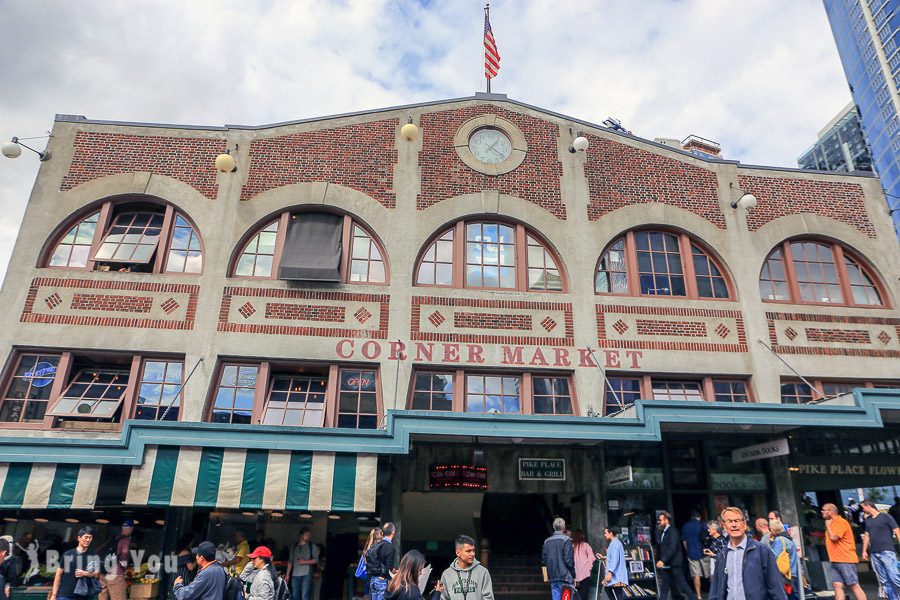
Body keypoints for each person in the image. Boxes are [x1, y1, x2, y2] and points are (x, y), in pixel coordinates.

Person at [708, 507, 785, 600]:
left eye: (737, 520)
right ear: (724, 526)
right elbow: (715, 591)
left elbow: (776, 587)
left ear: (744, 524)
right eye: (729, 521)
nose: (734, 525)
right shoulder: (722, 555)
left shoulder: (761, 551)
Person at [821, 502, 865, 600]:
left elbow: (834, 537)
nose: (822, 511)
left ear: (831, 511)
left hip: (845, 559)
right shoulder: (832, 523)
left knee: (854, 585)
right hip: (835, 559)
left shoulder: (840, 522)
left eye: (824, 510)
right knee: (837, 586)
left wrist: (827, 526)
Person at [860, 499, 900, 600]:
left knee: (894, 577)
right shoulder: (868, 520)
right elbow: (867, 535)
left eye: (863, 507)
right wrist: (864, 550)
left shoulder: (885, 516)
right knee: (884, 581)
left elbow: (897, 530)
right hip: (874, 553)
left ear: (868, 506)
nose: (862, 510)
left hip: (887, 551)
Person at [436, 535, 493, 600]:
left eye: (473, 550)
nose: (472, 554)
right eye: (468, 551)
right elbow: (444, 598)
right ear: (458, 552)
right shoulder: (447, 574)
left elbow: (488, 598)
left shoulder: (483, 572)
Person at [50, 527, 100, 600]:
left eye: (90, 538)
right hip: (65, 594)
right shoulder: (68, 554)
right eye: (86, 537)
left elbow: (97, 574)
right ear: (79, 538)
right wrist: (54, 594)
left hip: (83, 595)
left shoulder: (93, 555)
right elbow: (58, 574)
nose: (88, 540)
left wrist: (86, 574)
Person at [656, 512, 693, 600]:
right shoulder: (663, 532)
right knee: (664, 587)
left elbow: (672, 548)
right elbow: (661, 546)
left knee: (683, 586)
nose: (659, 522)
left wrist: (663, 560)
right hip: (667, 565)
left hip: (674, 564)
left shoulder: (673, 531)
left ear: (666, 520)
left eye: (661, 520)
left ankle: (693, 598)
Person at [542, 517, 575, 600]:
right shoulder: (566, 540)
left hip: (553, 577)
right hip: (566, 577)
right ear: (563, 528)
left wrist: (546, 576)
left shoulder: (547, 541)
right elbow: (569, 561)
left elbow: (543, 561)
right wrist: (573, 574)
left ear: (554, 527)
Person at [99, 519, 133, 600]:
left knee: (102, 596)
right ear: (131, 528)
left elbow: (99, 551)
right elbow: (124, 552)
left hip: (103, 572)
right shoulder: (125, 539)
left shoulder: (114, 538)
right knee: (118, 597)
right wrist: (124, 566)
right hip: (115, 573)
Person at [769, 519, 799, 600]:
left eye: (770, 529)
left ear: (774, 530)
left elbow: (774, 557)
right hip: (791, 574)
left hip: (784, 575)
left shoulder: (779, 540)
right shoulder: (788, 539)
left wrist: (771, 544)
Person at [368, 523, 399, 600]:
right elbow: (388, 567)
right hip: (382, 581)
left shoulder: (376, 545)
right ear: (393, 532)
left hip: (373, 580)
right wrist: (393, 571)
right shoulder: (390, 547)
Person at [286, 528, 319, 600]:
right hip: (295, 574)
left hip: (306, 574)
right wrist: (287, 574)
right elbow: (290, 561)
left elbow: (316, 560)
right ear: (301, 535)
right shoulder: (294, 546)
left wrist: (304, 562)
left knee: (305, 596)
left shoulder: (311, 546)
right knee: (295, 596)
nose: (308, 536)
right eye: (307, 535)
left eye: (309, 535)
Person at [682, 510, 707, 600]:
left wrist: (687, 551)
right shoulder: (702, 524)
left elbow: (684, 541)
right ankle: (713, 592)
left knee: (696, 575)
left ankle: (699, 595)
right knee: (710, 574)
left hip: (692, 553)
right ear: (699, 517)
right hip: (704, 552)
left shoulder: (686, 526)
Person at [599, 528, 628, 600]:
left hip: (616, 575)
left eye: (606, 533)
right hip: (616, 575)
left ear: (611, 533)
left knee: (616, 594)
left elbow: (615, 559)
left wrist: (610, 572)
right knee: (614, 592)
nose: (604, 535)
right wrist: (604, 558)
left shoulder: (615, 544)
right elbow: (614, 558)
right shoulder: (614, 543)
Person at [571, 530, 595, 599]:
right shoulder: (586, 545)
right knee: (584, 595)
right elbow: (592, 558)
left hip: (574, 575)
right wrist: (589, 568)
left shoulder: (571, 546)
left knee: (575, 595)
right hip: (585, 574)